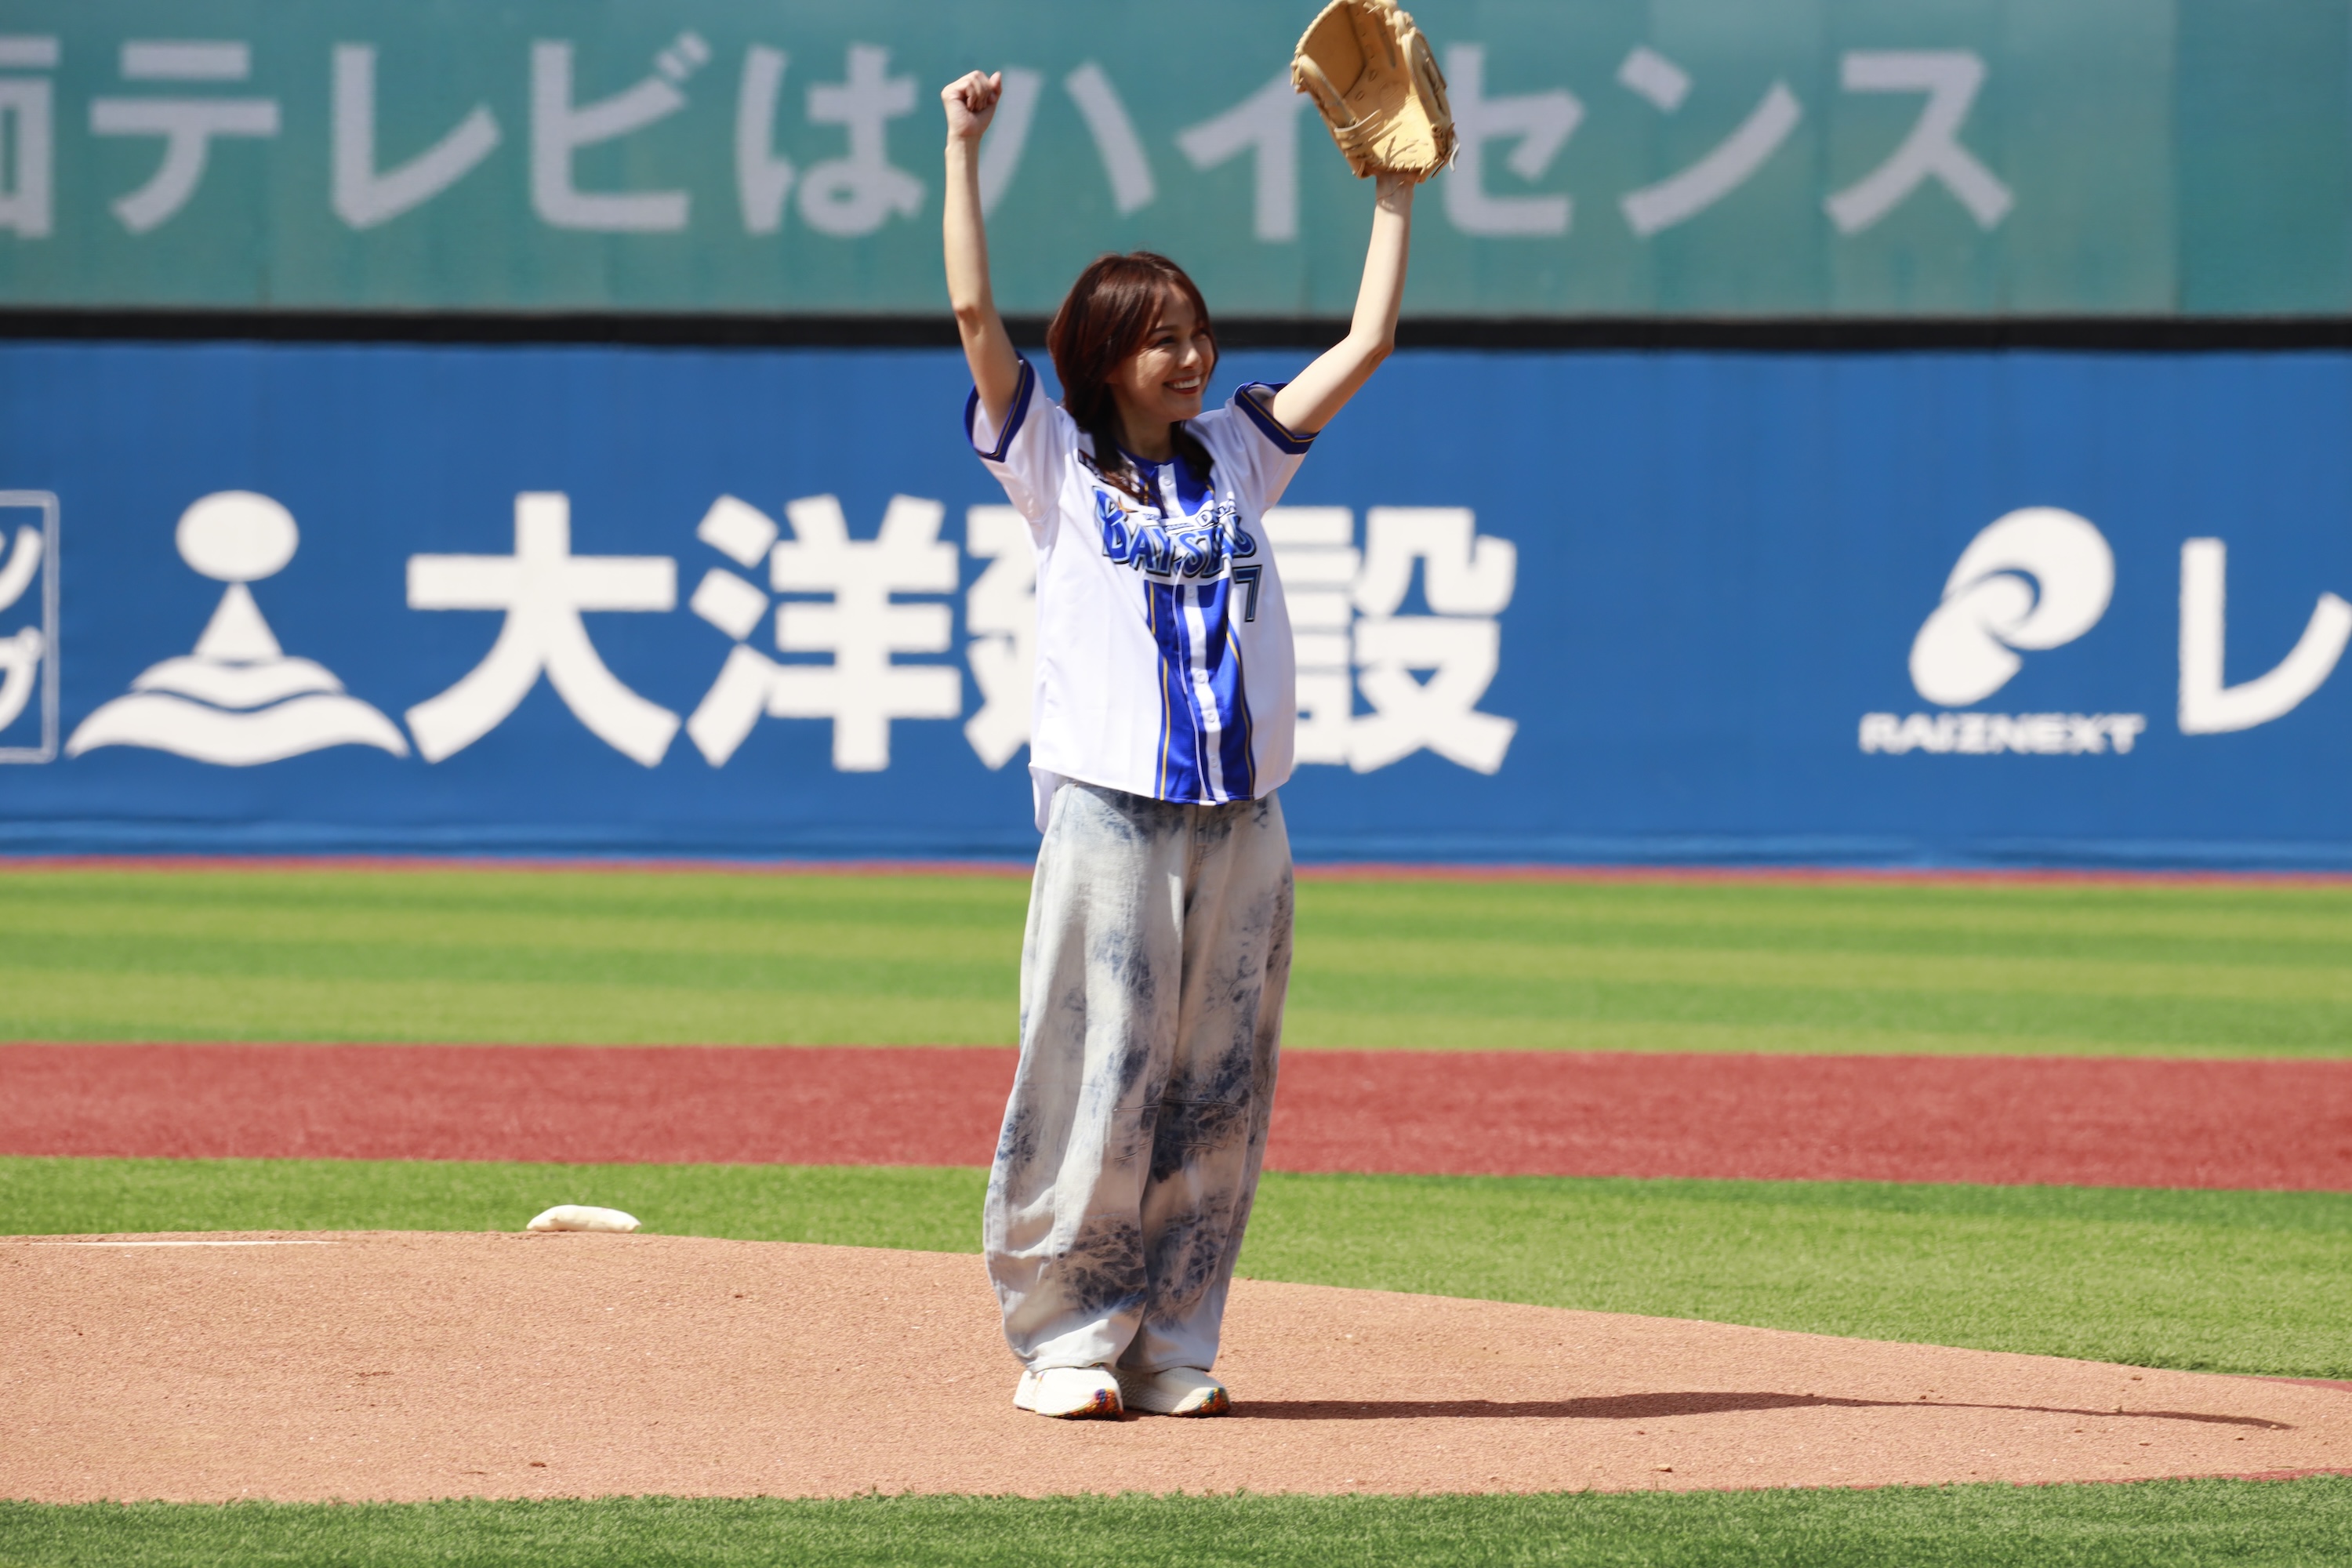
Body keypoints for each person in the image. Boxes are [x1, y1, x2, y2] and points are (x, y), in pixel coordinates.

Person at [942, 67, 1414, 1420]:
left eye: (1198, 330)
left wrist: (1392, 196)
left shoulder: (1240, 451)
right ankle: (1065, 1340)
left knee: (1217, 1088)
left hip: (1245, 820)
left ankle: (1173, 1344)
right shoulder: (1050, 456)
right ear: (1104, 357)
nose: (1192, 354)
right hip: (1110, 816)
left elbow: (1369, 341)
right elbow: (974, 316)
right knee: (1098, 1069)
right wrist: (963, 149)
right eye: (1162, 338)